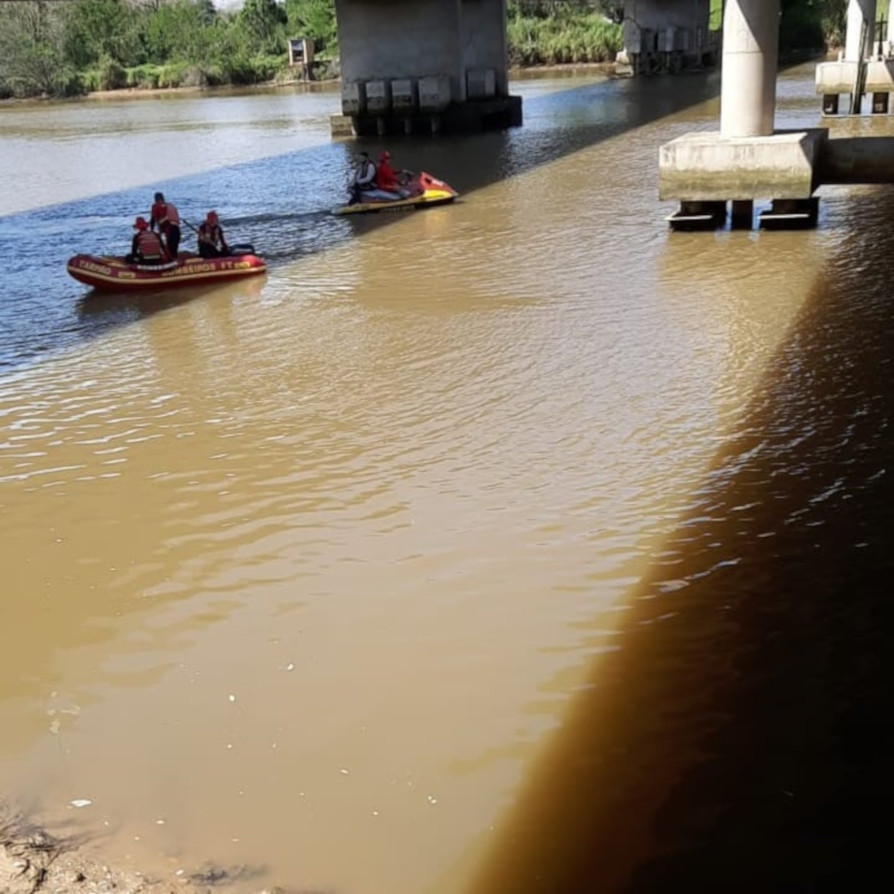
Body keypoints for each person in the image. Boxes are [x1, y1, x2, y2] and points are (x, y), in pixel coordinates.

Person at [149, 191, 181, 259]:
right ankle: (175, 260)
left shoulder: (156, 206)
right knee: (174, 249)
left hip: (170, 229)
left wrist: (151, 231)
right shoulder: (171, 205)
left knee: (170, 250)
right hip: (177, 229)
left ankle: (172, 264)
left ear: (155, 199)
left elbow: (153, 220)